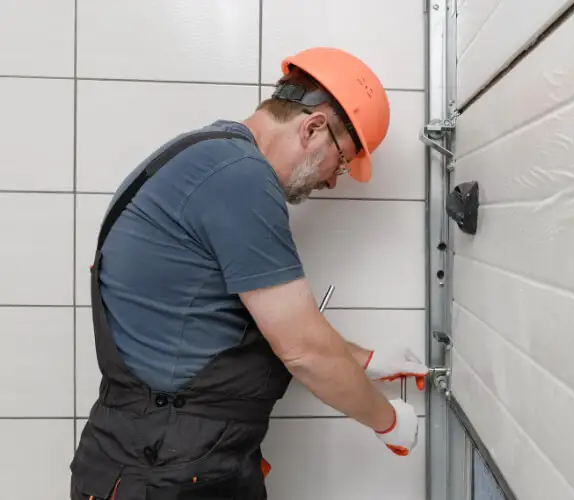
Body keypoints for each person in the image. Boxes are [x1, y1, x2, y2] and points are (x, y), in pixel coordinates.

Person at [70, 47, 428, 499]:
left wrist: (368, 361)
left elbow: (238, 324)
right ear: (313, 127)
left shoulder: (207, 158)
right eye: (340, 162)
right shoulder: (239, 179)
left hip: (156, 457)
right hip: (164, 470)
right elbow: (304, 351)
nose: (333, 181)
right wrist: (389, 422)